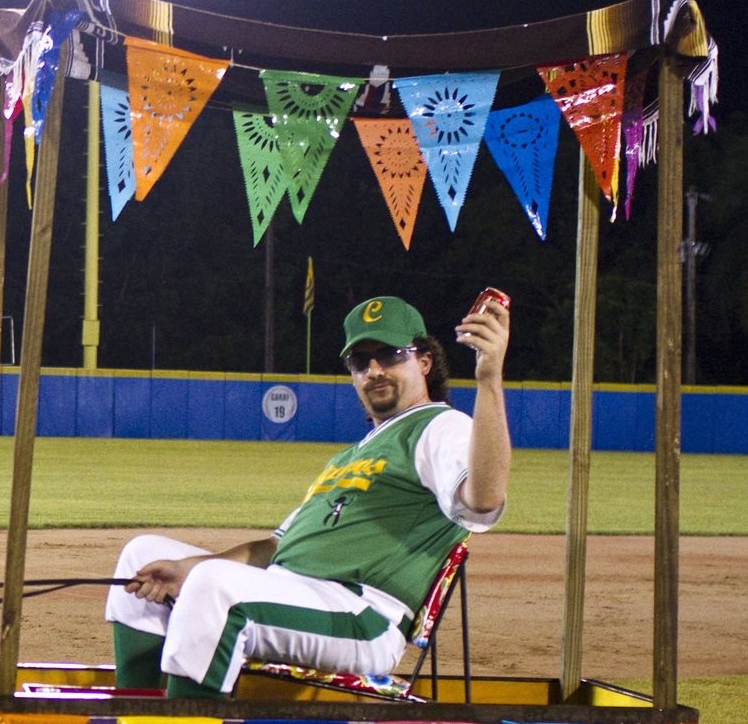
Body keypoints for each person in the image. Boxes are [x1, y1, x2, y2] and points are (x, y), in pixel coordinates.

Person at [105, 294, 511, 697]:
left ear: (423, 361)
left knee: (214, 589)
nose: (374, 370)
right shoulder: (350, 456)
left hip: (359, 614)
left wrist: (489, 380)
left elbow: (483, 500)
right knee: (142, 554)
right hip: (292, 591)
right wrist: (192, 566)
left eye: (389, 354)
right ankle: (131, 722)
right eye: (359, 362)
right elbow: (274, 546)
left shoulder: (438, 426)